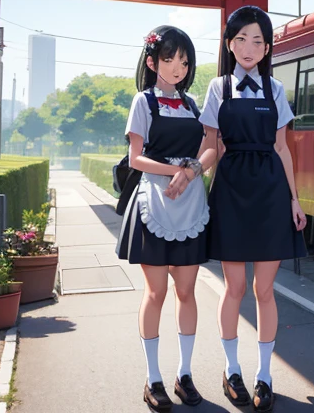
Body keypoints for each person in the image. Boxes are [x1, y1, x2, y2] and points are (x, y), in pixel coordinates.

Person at [193, 5, 307, 412]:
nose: (249, 47)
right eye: (241, 39)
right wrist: (191, 173)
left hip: (271, 192)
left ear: (267, 46)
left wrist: (295, 199)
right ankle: (231, 369)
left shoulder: (275, 89)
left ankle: (264, 375)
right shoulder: (218, 88)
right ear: (229, 43)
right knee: (235, 288)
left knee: (264, 290)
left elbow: (282, 149)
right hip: (232, 191)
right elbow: (210, 146)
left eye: (258, 40)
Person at [115, 25, 210, 412]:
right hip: (154, 198)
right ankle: (152, 377)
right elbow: (136, 159)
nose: (178, 68)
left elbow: (209, 147)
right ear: (152, 61)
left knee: (187, 292)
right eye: (169, 59)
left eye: (184, 61)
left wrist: (190, 173)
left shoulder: (192, 105)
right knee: (156, 293)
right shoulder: (143, 101)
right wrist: (177, 173)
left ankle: (184, 374)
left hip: (187, 201)